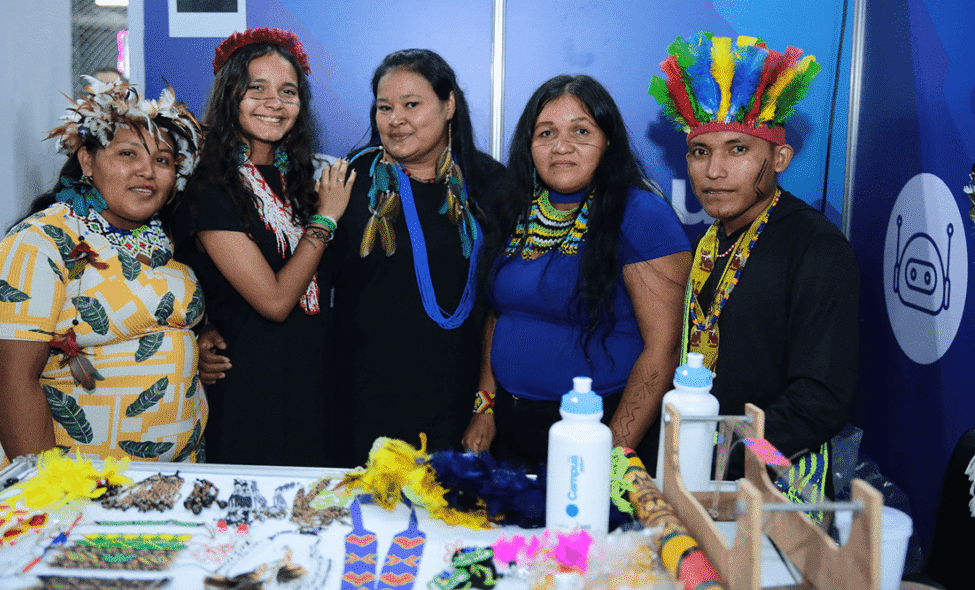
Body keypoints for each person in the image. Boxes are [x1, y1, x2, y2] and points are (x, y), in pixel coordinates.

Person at [649, 32, 859, 501]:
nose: (714, 171)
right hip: (698, 471)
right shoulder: (710, 240)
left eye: (738, 150)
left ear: (779, 158)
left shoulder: (816, 247)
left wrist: (731, 457)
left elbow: (819, 402)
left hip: (776, 487)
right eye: (700, 152)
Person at [461, 75, 691, 472]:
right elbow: (499, 315)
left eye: (581, 131)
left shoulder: (641, 216)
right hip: (509, 433)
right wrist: (485, 406)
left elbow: (664, 349)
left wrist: (613, 456)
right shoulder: (514, 209)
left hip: (598, 428)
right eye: (546, 133)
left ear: (608, 141)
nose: (561, 146)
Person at [0, 78, 205, 462]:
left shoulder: (167, 237)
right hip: (83, 483)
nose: (147, 171)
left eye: (163, 160)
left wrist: (200, 342)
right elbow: (9, 380)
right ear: (87, 161)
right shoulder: (40, 241)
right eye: (128, 154)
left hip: (181, 479)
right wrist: (51, 488)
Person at [171, 27, 354, 466]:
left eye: (288, 91)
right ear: (230, 95)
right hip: (250, 391)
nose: (274, 102)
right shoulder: (211, 190)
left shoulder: (307, 183)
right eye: (257, 88)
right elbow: (274, 302)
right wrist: (325, 221)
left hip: (314, 384)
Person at [329, 49, 506, 466]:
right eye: (384, 107)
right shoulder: (349, 181)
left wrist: (486, 403)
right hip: (360, 401)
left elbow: (503, 306)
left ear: (449, 105)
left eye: (411, 105)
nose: (396, 120)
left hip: (458, 402)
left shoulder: (491, 184)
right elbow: (306, 287)